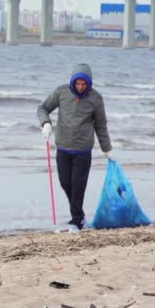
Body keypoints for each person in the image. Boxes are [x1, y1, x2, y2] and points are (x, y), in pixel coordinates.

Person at [37, 63, 113, 233]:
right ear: (72, 82)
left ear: (89, 83)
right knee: (66, 183)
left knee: (78, 185)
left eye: (83, 84)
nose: (80, 87)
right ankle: (80, 217)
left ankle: (75, 222)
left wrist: (106, 148)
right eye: (77, 84)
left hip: (83, 151)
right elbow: (42, 108)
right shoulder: (61, 92)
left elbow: (101, 125)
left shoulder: (95, 99)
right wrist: (46, 123)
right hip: (63, 148)